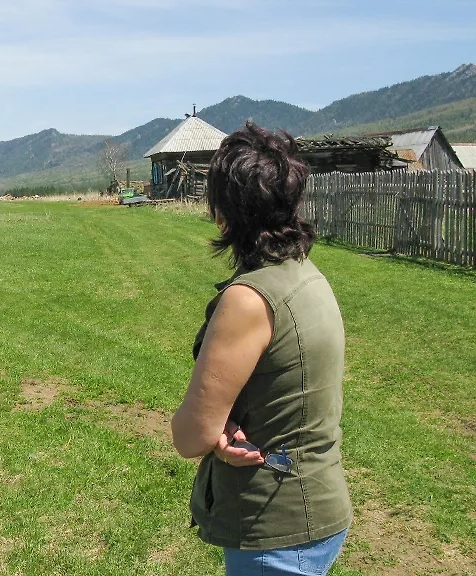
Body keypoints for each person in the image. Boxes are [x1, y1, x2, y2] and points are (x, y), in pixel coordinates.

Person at [170, 122, 352, 575]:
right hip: (318, 509)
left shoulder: (248, 300)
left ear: (222, 211)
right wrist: (228, 424)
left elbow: (189, 435)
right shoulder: (307, 274)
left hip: (279, 531)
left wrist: (211, 430)